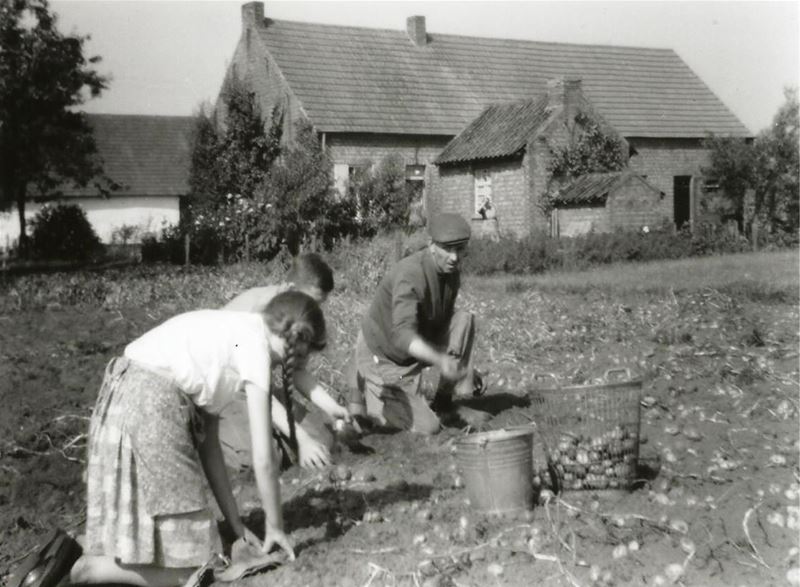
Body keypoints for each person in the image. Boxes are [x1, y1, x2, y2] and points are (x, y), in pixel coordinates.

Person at [61, 291, 326, 586]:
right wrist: (275, 527)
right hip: (153, 404)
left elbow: (209, 444)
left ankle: (90, 548)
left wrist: (237, 527)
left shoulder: (235, 334)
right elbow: (263, 460)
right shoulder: (255, 348)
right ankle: (92, 570)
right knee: (198, 571)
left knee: (178, 536)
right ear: (298, 344)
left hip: (132, 395)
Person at [348, 213, 488, 436]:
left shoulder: (451, 274)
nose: (454, 257)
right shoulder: (410, 274)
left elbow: (443, 323)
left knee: (464, 319)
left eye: (460, 249)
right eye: (447, 249)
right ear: (431, 245)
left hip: (412, 352)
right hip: (384, 355)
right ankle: (364, 390)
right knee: (426, 427)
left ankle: (443, 402)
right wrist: (440, 359)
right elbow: (402, 336)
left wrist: (460, 364)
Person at [219, 253, 351, 471]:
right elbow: (254, 389)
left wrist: (332, 407)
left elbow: (297, 370)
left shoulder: (299, 317)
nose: (314, 310)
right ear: (290, 288)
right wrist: (301, 439)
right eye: (313, 301)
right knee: (263, 459)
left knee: (323, 441)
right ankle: (206, 435)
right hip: (227, 390)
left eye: (319, 304)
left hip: (261, 388)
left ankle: (275, 435)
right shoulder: (257, 314)